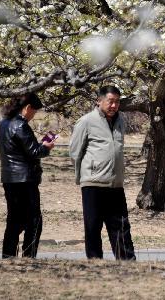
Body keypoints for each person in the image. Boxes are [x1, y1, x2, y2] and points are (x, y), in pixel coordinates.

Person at [69, 85, 135, 260]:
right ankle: (95, 263)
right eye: (110, 101)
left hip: (115, 183)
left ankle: (127, 263)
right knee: (92, 227)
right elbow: (75, 152)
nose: (114, 106)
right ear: (99, 101)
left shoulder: (121, 120)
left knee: (121, 226)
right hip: (93, 184)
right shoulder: (86, 121)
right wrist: (86, 175)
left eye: (117, 102)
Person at [0, 92, 54, 258]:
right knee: (34, 221)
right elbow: (34, 151)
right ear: (27, 108)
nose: (33, 115)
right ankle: (29, 256)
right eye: (34, 112)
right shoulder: (21, 125)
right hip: (25, 180)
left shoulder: (4, 123)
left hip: (9, 178)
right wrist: (46, 146)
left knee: (14, 220)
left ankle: (8, 256)